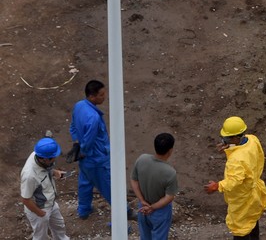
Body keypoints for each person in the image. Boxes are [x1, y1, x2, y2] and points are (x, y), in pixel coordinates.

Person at [204, 116, 266, 239]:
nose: (224, 140)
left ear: (236, 138)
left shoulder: (236, 160)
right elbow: (246, 156)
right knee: (252, 220)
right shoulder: (252, 140)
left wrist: (218, 186)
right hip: (254, 192)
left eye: (226, 138)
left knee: (240, 229)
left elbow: (235, 179)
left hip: (242, 198)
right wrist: (230, 147)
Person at [70, 79, 121, 220]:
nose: (104, 97)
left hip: (85, 158)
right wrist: (84, 150)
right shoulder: (93, 118)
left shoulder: (79, 106)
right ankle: (123, 214)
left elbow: (73, 126)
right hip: (96, 159)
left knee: (85, 183)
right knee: (109, 188)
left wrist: (76, 144)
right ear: (92, 96)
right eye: (101, 95)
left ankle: (84, 210)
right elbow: (89, 141)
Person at [21, 137, 70, 240]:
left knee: (59, 227)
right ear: (45, 159)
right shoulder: (30, 176)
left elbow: (46, 168)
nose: (55, 158)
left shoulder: (38, 155)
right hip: (39, 208)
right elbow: (25, 199)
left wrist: (54, 172)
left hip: (51, 203)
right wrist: (41, 214)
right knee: (41, 237)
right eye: (53, 157)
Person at [130, 133, 178, 240]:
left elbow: (133, 180)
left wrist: (142, 200)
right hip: (160, 211)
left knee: (145, 236)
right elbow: (169, 197)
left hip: (142, 208)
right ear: (170, 151)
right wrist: (152, 207)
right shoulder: (170, 173)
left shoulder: (142, 159)